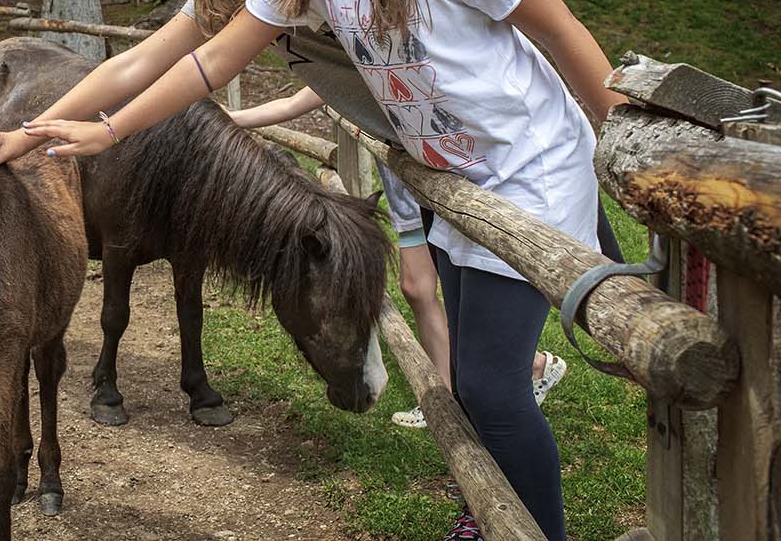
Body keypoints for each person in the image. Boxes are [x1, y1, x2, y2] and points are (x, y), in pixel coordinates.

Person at [0, 0, 628, 541]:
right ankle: (494, 514)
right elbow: (185, 61)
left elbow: (561, 33)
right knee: (469, 374)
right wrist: (73, 128)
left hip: (523, 165)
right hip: (451, 168)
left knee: (495, 388)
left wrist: (625, 146)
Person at [227, 86, 568, 429]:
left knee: (446, 292)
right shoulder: (355, 66)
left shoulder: (403, 66)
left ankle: (527, 368)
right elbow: (296, 102)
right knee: (417, 289)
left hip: (434, 197)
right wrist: (229, 120)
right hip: (408, 203)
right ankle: (451, 395)